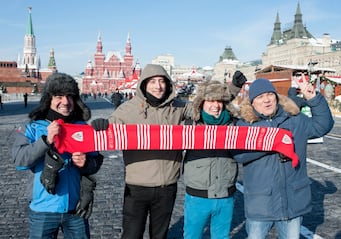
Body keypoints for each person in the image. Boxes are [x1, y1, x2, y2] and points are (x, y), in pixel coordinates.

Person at [90, 65, 246, 239]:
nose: (158, 86)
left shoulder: (178, 107)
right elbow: (111, 126)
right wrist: (101, 125)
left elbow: (208, 105)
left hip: (167, 186)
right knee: (132, 234)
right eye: (153, 82)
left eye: (162, 81)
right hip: (137, 187)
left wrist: (232, 89)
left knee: (159, 235)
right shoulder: (128, 109)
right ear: (144, 84)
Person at [232, 76, 334, 239]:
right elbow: (239, 154)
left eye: (269, 95)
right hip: (260, 204)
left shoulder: (294, 119)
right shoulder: (245, 126)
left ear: (276, 97)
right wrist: (272, 142)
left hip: (292, 203)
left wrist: (313, 99)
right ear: (252, 103)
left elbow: (322, 126)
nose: (266, 100)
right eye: (260, 97)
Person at [12, 73, 104, 239]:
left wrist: (86, 163)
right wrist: (46, 141)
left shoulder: (82, 127)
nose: (65, 102)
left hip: (75, 208)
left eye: (70, 96)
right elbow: (20, 161)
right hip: (43, 210)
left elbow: (96, 162)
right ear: (49, 99)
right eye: (59, 96)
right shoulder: (33, 126)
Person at [182, 80, 238, 239]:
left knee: (221, 236)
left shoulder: (234, 124)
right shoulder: (190, 125)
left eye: (219, 101)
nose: (215, 105)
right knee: (192, 236)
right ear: (201, 103)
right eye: (211, 100)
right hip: (197, 196)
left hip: (225, 194)